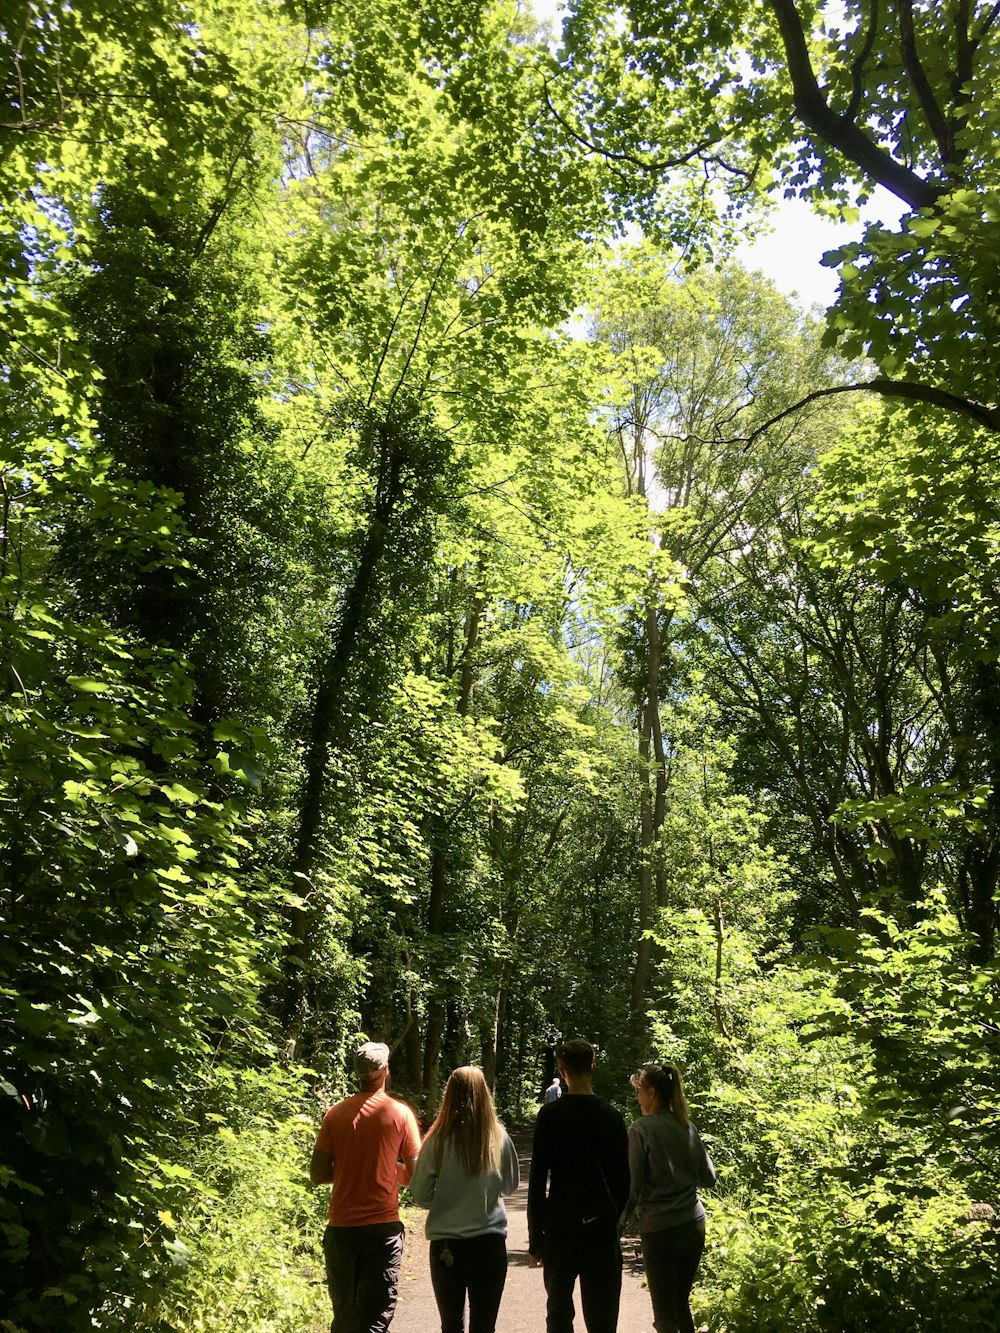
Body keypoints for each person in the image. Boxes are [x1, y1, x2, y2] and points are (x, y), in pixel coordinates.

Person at [310, 1041, 422, 1333]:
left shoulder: (334, 1114)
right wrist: (387, 1170)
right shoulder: (400, 1114)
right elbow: (414, 1176)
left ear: (357, 1074)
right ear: (385, 1070)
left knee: (345, 1316)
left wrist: (352, 1168)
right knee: (376, 1316)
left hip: (341, 1229)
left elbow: (318, 1173)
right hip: (381, 1230)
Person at [527, 1037, 630, 1333]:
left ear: (562, 1069)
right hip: (600, 1231)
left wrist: (536, 1237)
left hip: (560, 1228)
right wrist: (614, 1222)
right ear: (593, 1068)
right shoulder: (611, 1117)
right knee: (602, 1319)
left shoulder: (550, 1116)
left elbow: (537, 1181)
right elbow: (624, 1180)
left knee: (558, 1315)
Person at [410, 1066, 520, 1333]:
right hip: (489, 1244)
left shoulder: (437, 1138)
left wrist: (446, 1200)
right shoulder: (498, 1136)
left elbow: (420, 1193)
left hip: (447, 1247)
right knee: (484, 1326)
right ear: (485, 1094)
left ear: (450, 1093)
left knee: (451, 1325)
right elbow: (510, 1186)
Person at [623, 1064, 716, 1333]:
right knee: (680, 1303)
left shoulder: (640, 1130)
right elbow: (709, 1178)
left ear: (651, 1093)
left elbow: (633, 1188)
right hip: (693, 1224)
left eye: (639, 1093)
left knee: (664, 1313)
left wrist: (618, 1224)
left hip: (660, 1228)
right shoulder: (687, 1127)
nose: (637, 1099)